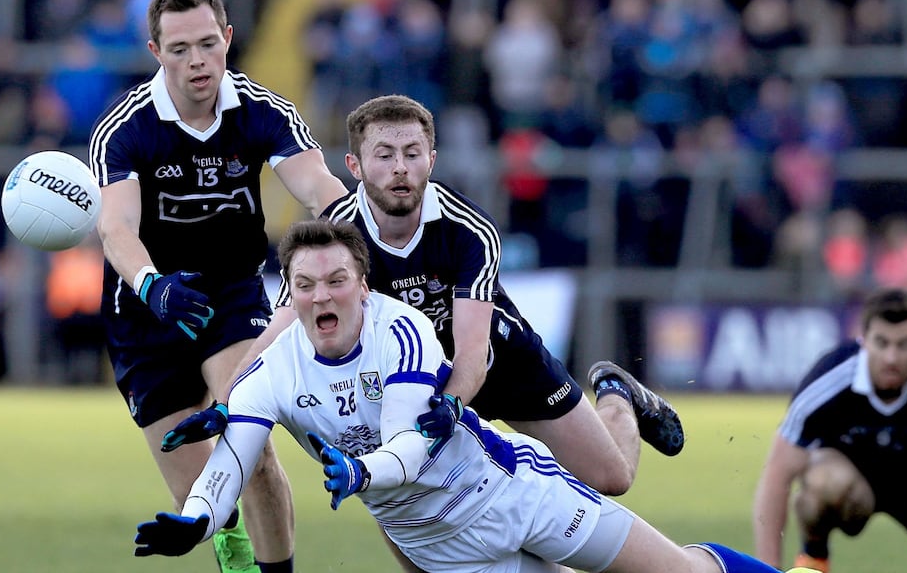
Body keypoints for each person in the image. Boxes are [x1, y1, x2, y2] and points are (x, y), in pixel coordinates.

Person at [164, 93, 684, 571]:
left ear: (431, 159)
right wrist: (227, 403)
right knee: (399, 500)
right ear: (355, 166)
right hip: (409, 377)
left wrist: (453, 402)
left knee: (612, 478)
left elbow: (474, 352)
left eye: (412, 154)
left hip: (497, 362)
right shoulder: (339, 232)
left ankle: (617, 394)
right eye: (384, 155)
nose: (400, 168)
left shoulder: (468, 229)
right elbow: (278, 330)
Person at [133, 218, 809, 573]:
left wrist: (360, 473)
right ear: (290, 293)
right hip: (440, 549)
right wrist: (198, 516)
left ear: (363, 285)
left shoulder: (402, 330)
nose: (320, 296)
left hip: (514, 495)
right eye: (305, 285)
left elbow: (410, 444)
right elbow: (235, 454)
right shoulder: (272, 370)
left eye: (336, 280)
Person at [87, 0, 348, 572]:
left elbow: (318, 185)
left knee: (251, 447)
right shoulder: (125, 128)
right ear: (156, 52)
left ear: (227, 37)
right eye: (180, 49)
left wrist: (352, 233)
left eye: (208, 44)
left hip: (230, 298)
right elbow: (115, 227)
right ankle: (233, 548)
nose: (197, 61)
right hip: (145, 311)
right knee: (199, 496)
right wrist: (153, 286)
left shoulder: (263, 111)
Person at [752, 288, 907, 573]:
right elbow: (777, 475)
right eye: (882, 342)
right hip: (850, 489)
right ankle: (814, 556)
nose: (891, 357)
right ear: (863, 340)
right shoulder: (829, 378)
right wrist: (767, 569)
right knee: (820, 482)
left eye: (904, 344)